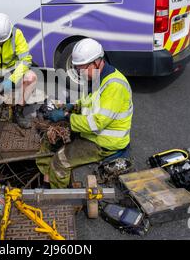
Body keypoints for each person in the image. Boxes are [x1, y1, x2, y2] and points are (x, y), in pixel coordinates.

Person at [37, 38, 133, 188]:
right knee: (49, 141)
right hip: (90, 133)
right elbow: (89, 100)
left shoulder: (115, 86)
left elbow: (96, 123)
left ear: (96, 62)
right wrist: (71, 106)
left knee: (60, 161)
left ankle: (57, 196)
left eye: (81, 69)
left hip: (103, 143)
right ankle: (47, 181)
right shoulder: (97, 77)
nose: (79, 73)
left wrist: (67, 117)